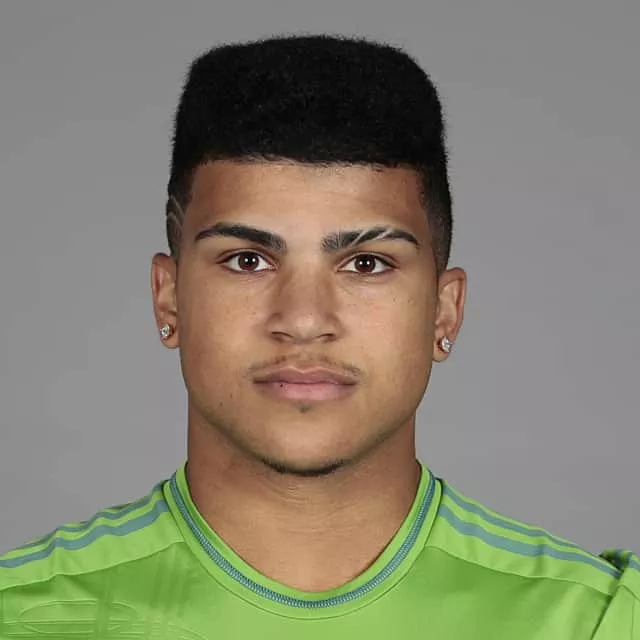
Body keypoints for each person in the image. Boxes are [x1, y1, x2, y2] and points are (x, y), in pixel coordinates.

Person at [0, 33, 637, 639]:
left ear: (444, 312)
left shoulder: (596, 623)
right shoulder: (20, 615)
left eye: (367, 264)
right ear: (169, 297)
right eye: (247, 260)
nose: (304, 320)